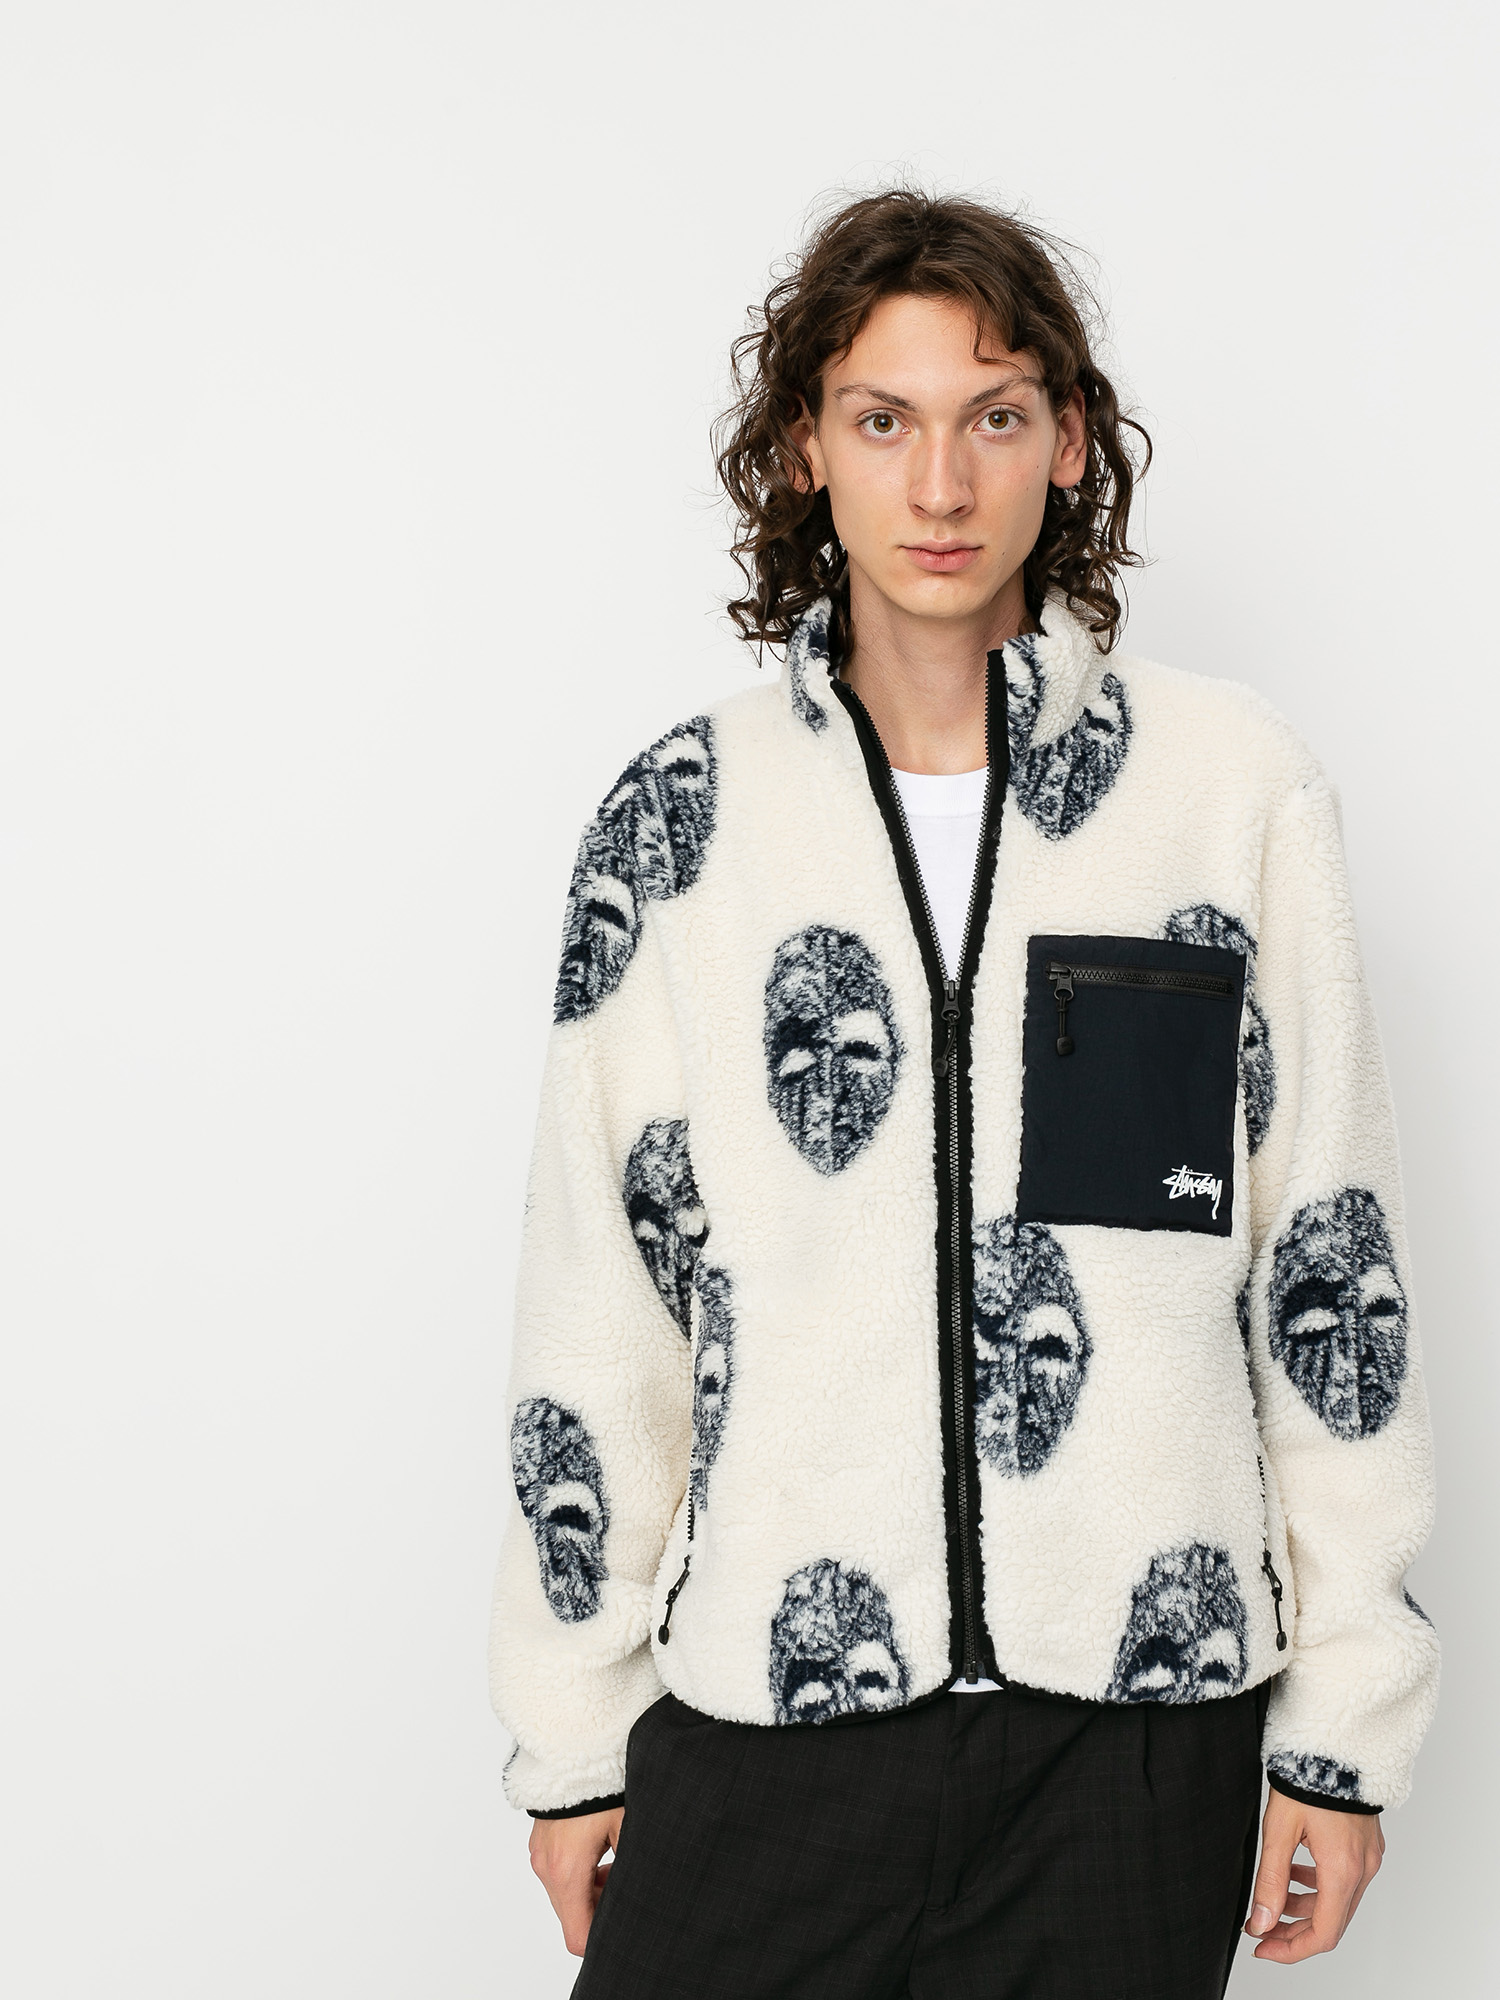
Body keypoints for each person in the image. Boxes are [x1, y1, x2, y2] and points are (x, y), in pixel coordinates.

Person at [489, 190, 1439, 1998]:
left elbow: (1328, 1257)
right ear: (804, 448)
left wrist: (1346, 1729)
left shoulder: (1231, 794)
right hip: (778, 1712)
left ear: (1069, 442)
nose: (941, 485)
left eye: (994, 415)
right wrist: (574, 1728)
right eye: (883, 419)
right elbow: (598, 1295)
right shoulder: (683, 821)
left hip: (1135, 1737)